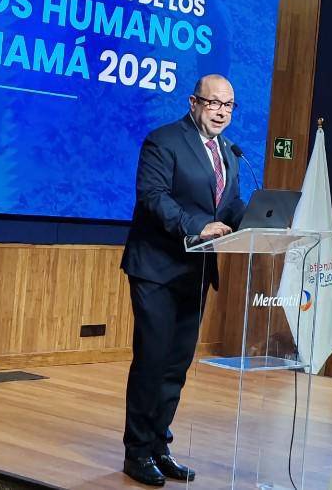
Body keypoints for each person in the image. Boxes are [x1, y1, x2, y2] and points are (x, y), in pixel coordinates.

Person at [121, 74, 246, 486]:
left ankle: (160, 446)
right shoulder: (164, 141)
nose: (221, 112)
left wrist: (264, 219)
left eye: (228, 105)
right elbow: (153, 197)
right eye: (214, 103)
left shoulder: (228, 152)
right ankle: (137, 453)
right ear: (194, 103)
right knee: (153, 361)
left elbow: (229, 206)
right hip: (157, 269)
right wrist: (197, 226)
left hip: (196, 273)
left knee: (176, 365)